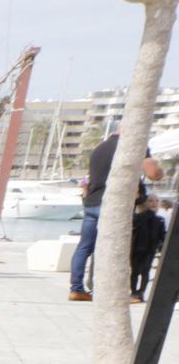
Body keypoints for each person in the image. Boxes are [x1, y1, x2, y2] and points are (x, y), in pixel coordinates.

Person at [68, 123, 167, 301]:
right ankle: (109, 290)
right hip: (114, 205)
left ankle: (76, 288)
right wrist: (159, 171)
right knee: (116, 248)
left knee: (85, 247)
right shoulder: (133, 145)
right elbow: (153, 173)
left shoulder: (99, 148)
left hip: (92, 203)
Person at [131, 189, 167, 302]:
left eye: (156, 201)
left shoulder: (160, 220)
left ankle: (141, 292)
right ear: (144, 203)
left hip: (149, 250)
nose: (154, 203)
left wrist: (162, 246)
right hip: (136, 249)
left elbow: (162, 236)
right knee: (135, 271)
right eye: (150, 200)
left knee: (145, 271)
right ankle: (134, 292)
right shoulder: (139, 217)